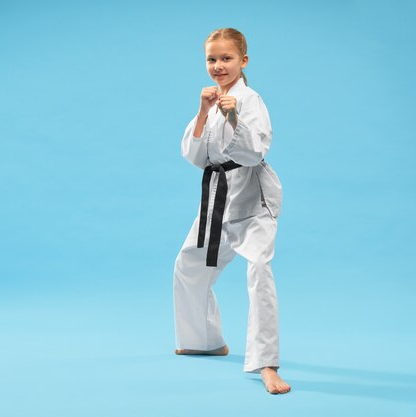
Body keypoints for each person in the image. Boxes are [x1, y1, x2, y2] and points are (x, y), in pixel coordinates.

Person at [173, 28, 290, 395]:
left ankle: (266, 363)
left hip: (253, 202)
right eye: (212, 59)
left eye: (226, 58)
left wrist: (235, 117)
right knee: (189, 265)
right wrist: (204, 112)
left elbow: (256, 152)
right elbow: (195, 157)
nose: (218, 66)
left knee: (258, 269)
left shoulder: (250, 99)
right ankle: (204, 340)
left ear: (244, 61)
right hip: (217, 198)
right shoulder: (211, 99)